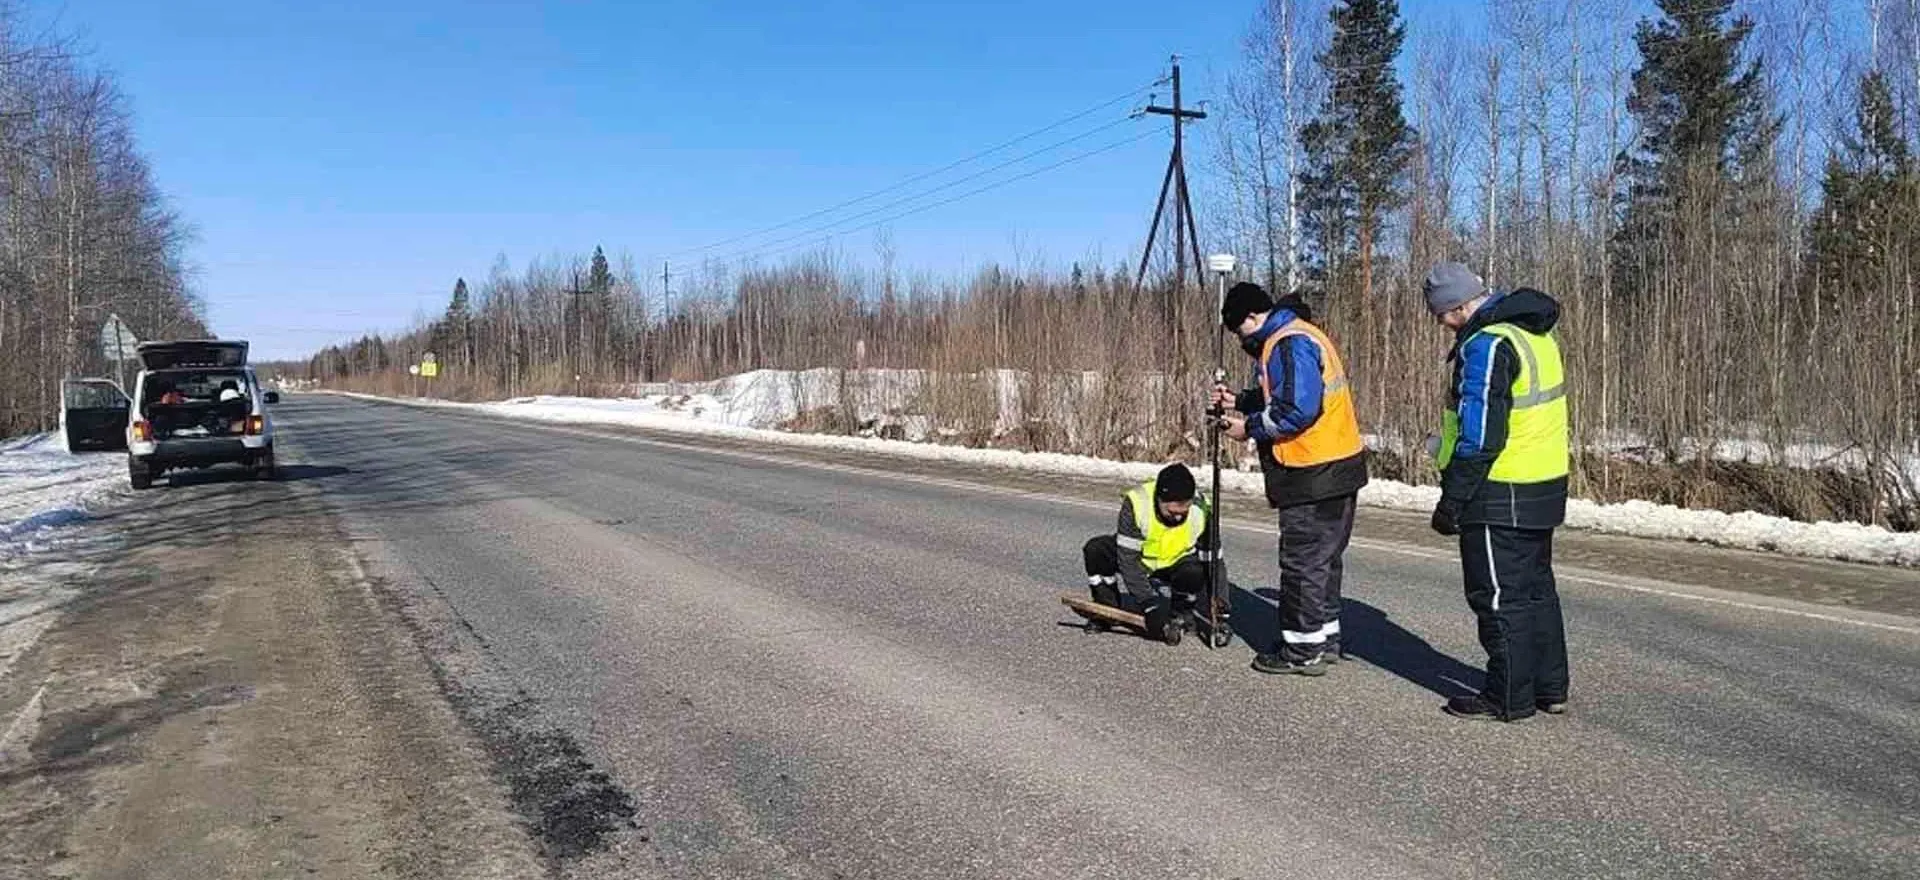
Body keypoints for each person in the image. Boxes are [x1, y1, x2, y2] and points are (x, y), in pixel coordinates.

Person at [1421, 262, 1571, 722]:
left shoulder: (1489, 344)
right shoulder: (1535, 334)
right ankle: (1549, 686)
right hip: (1543, 484)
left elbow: (1480, 432)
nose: (1442, 324)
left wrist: (1453, 500)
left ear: (1460, 305)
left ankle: (1508, 695)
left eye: (1443, 314)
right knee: (1535, 591)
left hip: (1499, 490)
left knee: (1498, 597)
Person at [1213, 282, 1368, 676]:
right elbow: (1284, 395)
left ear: (1251, 317)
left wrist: (1246, 427)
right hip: (1337, 466)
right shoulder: (1301, 333)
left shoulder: (1287, 341)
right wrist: (1242, 401)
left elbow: (1296, 411)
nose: (1240, 339)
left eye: (1239, 330)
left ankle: (1301, 650)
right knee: (1324, 562)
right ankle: (1324, 638)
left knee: (1302, 563)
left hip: (1311, 472)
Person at [1081, 463, 1222, 641]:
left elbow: (1215, 561)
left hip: (1176, 563)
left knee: (1194, 571)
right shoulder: (1137, 502)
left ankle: (1181, 613)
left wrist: (1222, 611)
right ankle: (1106, 611)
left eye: (1183, 512)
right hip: (1140, 561)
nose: (1178, 517)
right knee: (1096, 550)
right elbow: (1129, 561)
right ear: (1159, 500)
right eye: (1172, 512)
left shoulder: (1202, 508)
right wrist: (1149, 605)